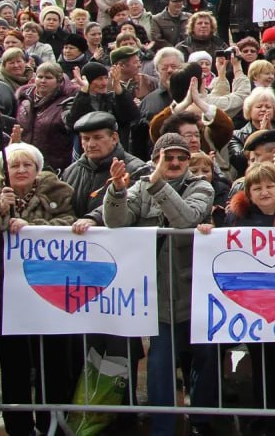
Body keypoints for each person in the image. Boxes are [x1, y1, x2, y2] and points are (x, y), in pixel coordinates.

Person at [102, 132, 215, 436]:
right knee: (160, 363)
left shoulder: (201, 186)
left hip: (197, 290)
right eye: (167, 157)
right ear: (154, 160)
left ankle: (202, 420)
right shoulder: (140, 187)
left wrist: (158, 183)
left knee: (206, 359)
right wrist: (116, 190)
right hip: (160, 295)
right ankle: (163, 428)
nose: (174, 162)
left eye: (181, 157)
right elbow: (116, 222)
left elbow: (186, 219)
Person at [201, 162, 275, 435]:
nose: (265, 192)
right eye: (258, 188)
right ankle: (270, 420)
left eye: (270, 186)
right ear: (249, 193)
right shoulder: (238, 216)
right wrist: (208, 232)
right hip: (257, 306)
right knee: (264, 365)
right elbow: (224, 246)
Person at [0, 142, 74, 436]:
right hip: (7, 295)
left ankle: (53, 423)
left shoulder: (58, 191)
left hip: (50, 291)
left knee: (53, 362)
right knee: (14, 363)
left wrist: (32, 226)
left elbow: (70, 223)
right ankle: (19, 426)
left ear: (37, 168)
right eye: (14, 166)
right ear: (3, 172)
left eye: (27, 165)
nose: (21, 170)